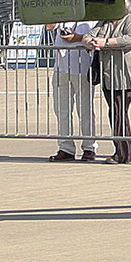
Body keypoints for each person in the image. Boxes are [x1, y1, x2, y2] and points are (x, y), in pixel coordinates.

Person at [85, 3, 131, 163]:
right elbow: (88, 35)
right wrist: (91, 42)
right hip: (109, 76)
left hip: (127, 76)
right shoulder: (105, 22)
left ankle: (122, 153)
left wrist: (106, 42)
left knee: (118, 112)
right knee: (115, 112)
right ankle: (123, 151)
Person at [46, 20, 97, 162]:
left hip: (82, 66)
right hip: (61, 66)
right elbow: (49, 25)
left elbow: (96, 36)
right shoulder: (63, 13)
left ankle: (89, 147)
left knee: (85, 110)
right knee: (62, 110)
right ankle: (65, 147)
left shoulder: (91, 17)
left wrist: (78, 37)